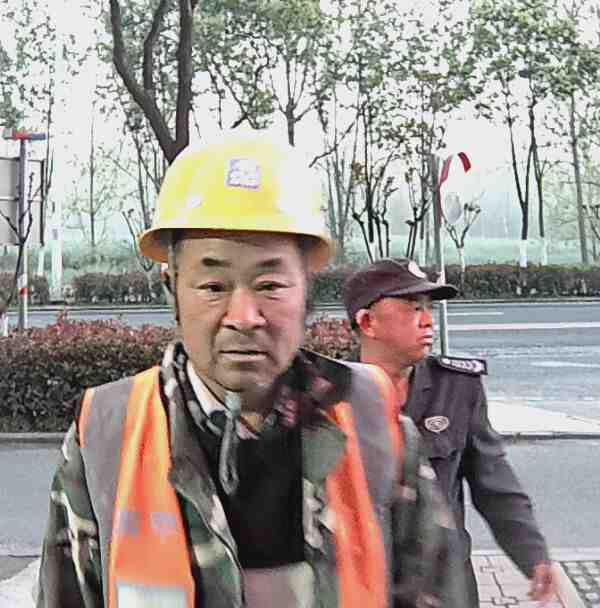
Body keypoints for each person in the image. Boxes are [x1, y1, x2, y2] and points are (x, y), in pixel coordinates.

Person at [36, 135, 465, 608]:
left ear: (306, 289)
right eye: (213, 285)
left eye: (270, 284)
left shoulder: (371, 421)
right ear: (172, 289)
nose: (244, 317)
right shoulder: (106, 432)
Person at [343, 257, 556, 607]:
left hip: (443, 588)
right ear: (368, 322)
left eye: (428, 307)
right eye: (413, 308)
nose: (428, 320)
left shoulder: (456, 387)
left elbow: (494, 480)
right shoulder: (329, 394)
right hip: (360, 586)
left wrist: (533, 554)